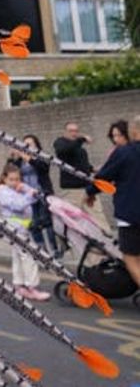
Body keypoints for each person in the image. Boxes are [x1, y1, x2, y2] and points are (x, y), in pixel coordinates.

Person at [86, 115, 140, 290]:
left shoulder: (124, 152)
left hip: (130, 215)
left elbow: (103, 177)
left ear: (133, 131)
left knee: (131, 258)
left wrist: (90, 193)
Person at [0, 163, 51, 301]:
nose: (15, 182)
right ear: (4, 178)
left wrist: (26, 189)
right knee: (29, 256)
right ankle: (32, 287)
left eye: (17, 179)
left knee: (19, 255)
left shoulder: (17, 189)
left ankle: (19, 284)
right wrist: (29, 194)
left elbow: (36, 193)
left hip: (21, 226)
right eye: (12, 179)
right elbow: (18, 205)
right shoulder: (3, 192)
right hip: (14, 226)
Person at [20, 134, 60, 256]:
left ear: (36, 145)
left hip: (42, 192)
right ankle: (42, 249)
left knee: (46, 222)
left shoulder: (42, 157)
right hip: (28, 195)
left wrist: (29, 159)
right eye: (25, 144)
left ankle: (54, 249)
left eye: (30, 144)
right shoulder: (21, 160)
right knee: (33, 224)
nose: (27, 146)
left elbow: (43, 168)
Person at [54, 121, 94, 189]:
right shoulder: (60, 142)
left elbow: (80, 164)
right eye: (71, 131)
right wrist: (82, 139)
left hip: (86, 185)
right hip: (72, 187)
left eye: (76, 131)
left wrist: (93, 169)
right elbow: (64, 150)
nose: (74, 133)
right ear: (65, 132)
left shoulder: (79, 148)